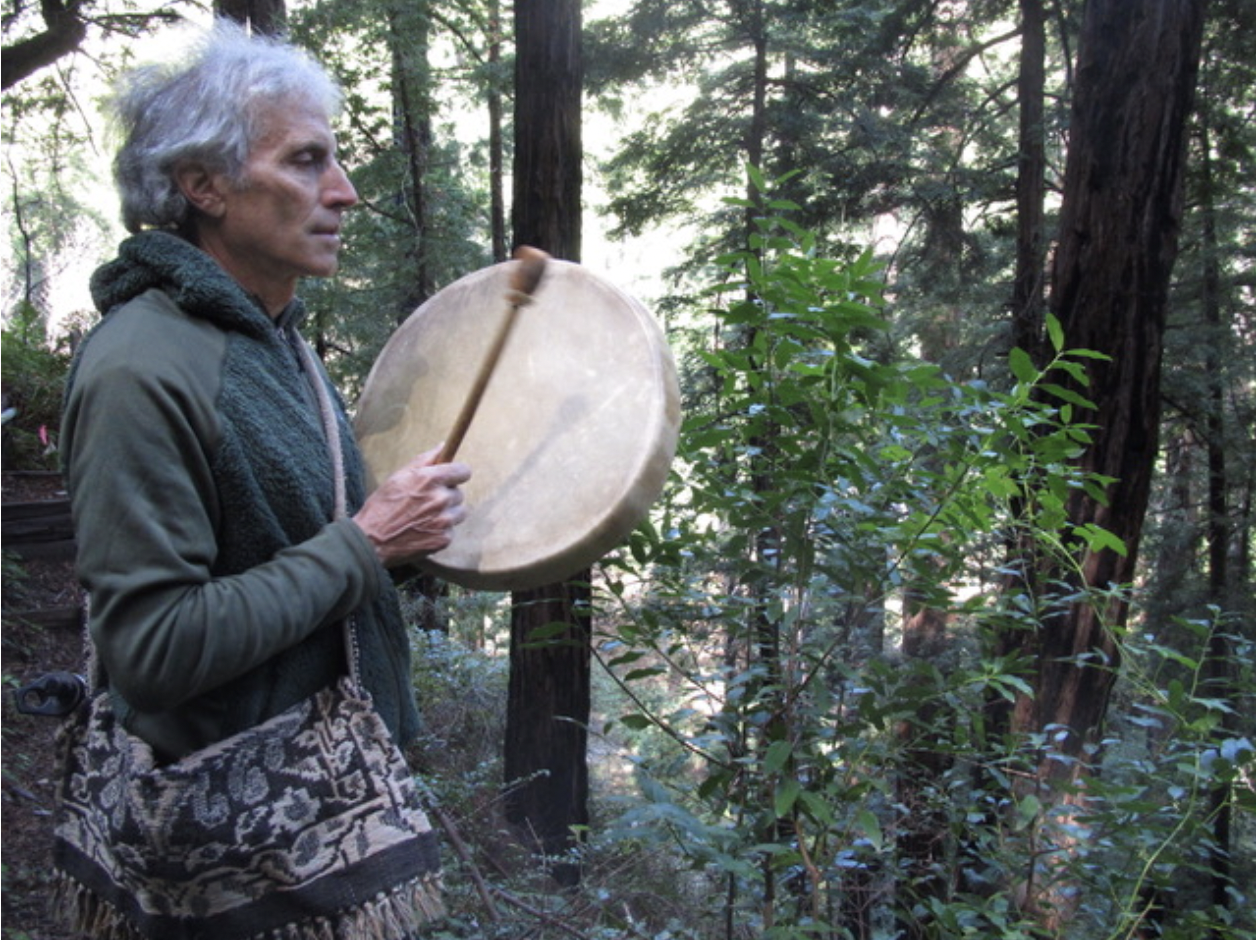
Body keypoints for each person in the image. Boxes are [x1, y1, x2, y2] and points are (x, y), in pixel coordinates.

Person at [59, 15, 467, 903]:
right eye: (307, 161)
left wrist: (411, 536)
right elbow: (153, 650)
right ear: (203, 184)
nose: (346, 191)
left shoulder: (273, 340)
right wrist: (365, 545)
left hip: (331, 820)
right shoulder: (143, 367)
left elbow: (306, 552)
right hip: (233, 858)